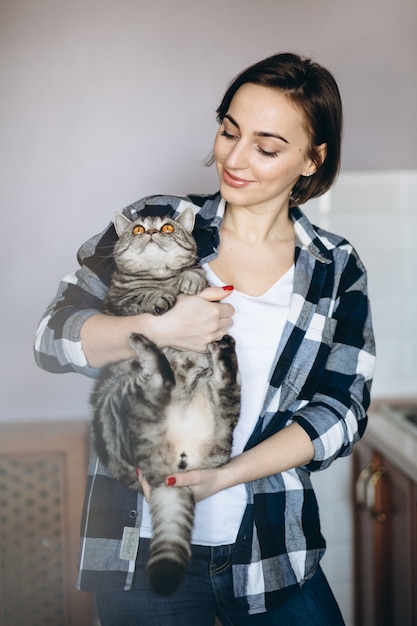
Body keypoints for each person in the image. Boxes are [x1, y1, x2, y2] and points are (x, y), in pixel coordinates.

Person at [34, 52, 375, 625]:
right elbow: (52, 337)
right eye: (228, 131)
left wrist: (226, 476)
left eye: (266, 148)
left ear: (312, 160)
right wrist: (161, 329)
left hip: (274, 551)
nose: (234, 159)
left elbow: (344, 410)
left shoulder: (334, 267)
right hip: (140, 551)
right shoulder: (155, 222)